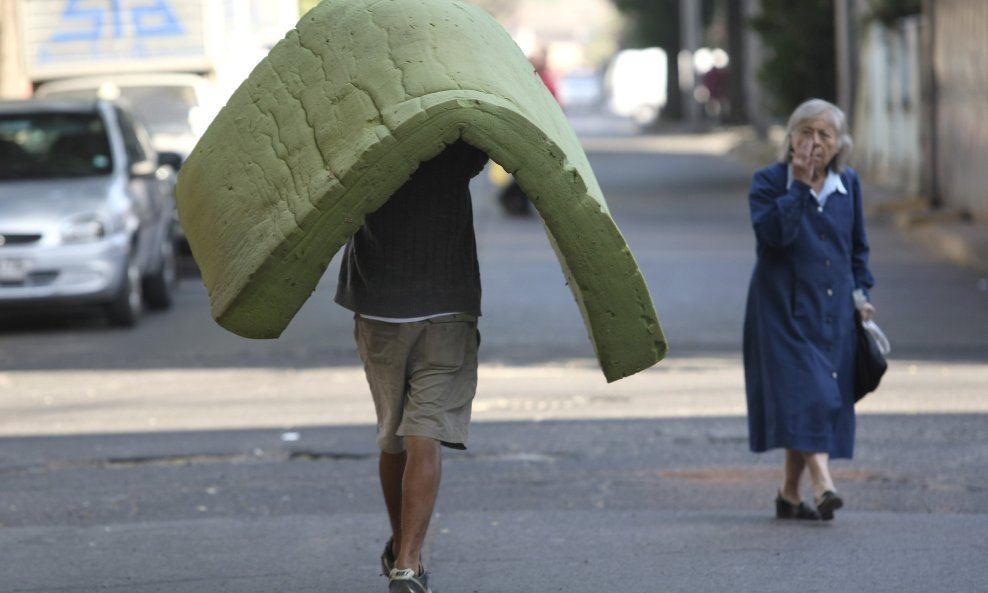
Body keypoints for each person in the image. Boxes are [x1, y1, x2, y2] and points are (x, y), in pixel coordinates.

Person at [335, 139, 488, 592]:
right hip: (447, 306)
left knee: (393, 434)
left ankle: (404, 549)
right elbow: (492, 143)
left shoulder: (367, 139)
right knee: (426, 435)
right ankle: (406, 563)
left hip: (379, 305)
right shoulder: (456, 143)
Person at [742, 98, 877, 521]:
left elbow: (857, 250)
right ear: (790, 138)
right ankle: (822, 481)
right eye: (805, 132)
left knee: (812, 398)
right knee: (808, 394)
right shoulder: (768, 182)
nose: (814, 142)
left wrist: (861, 295)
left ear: (839, 145)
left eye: (825, 134)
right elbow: (774, 237)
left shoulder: (848, 185)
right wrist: (799, 187)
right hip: (780, 311)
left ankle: (788, 493)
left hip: (834, 311)